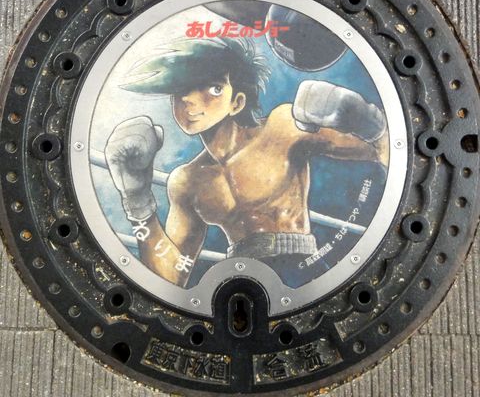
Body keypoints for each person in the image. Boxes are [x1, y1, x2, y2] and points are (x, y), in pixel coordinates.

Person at [105, 38, 388, 287]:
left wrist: (366, 120)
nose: (189, 100)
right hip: (238, 280)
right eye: (182, 90)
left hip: (304, 269)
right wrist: (136, 198)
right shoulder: (187, 181)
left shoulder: (283, 127)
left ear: (237, 102)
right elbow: (169, 278)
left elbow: (382, 152)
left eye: (213, 88)